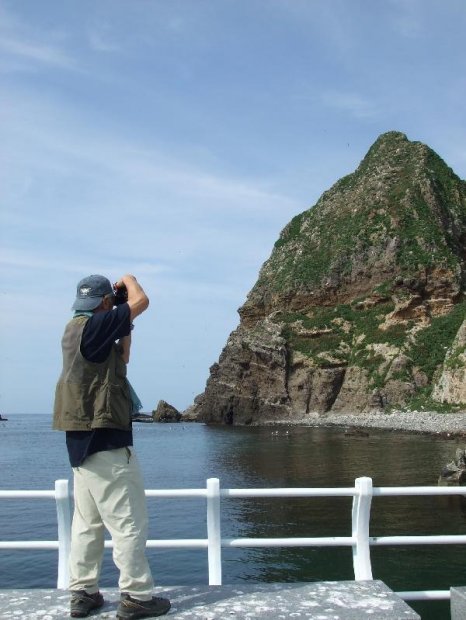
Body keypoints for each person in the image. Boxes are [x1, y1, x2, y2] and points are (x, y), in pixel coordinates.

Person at [53, 274, 170, 619]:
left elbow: (124, 355)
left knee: (87, 523)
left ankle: (84, 592)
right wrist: (129, 282)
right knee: (128, 521)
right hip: (105, 437)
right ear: (104, 303)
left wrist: (123, 317)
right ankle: (137, 596)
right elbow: (142, 301)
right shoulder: (97, 325)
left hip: (79, 439)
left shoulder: (76, 328)